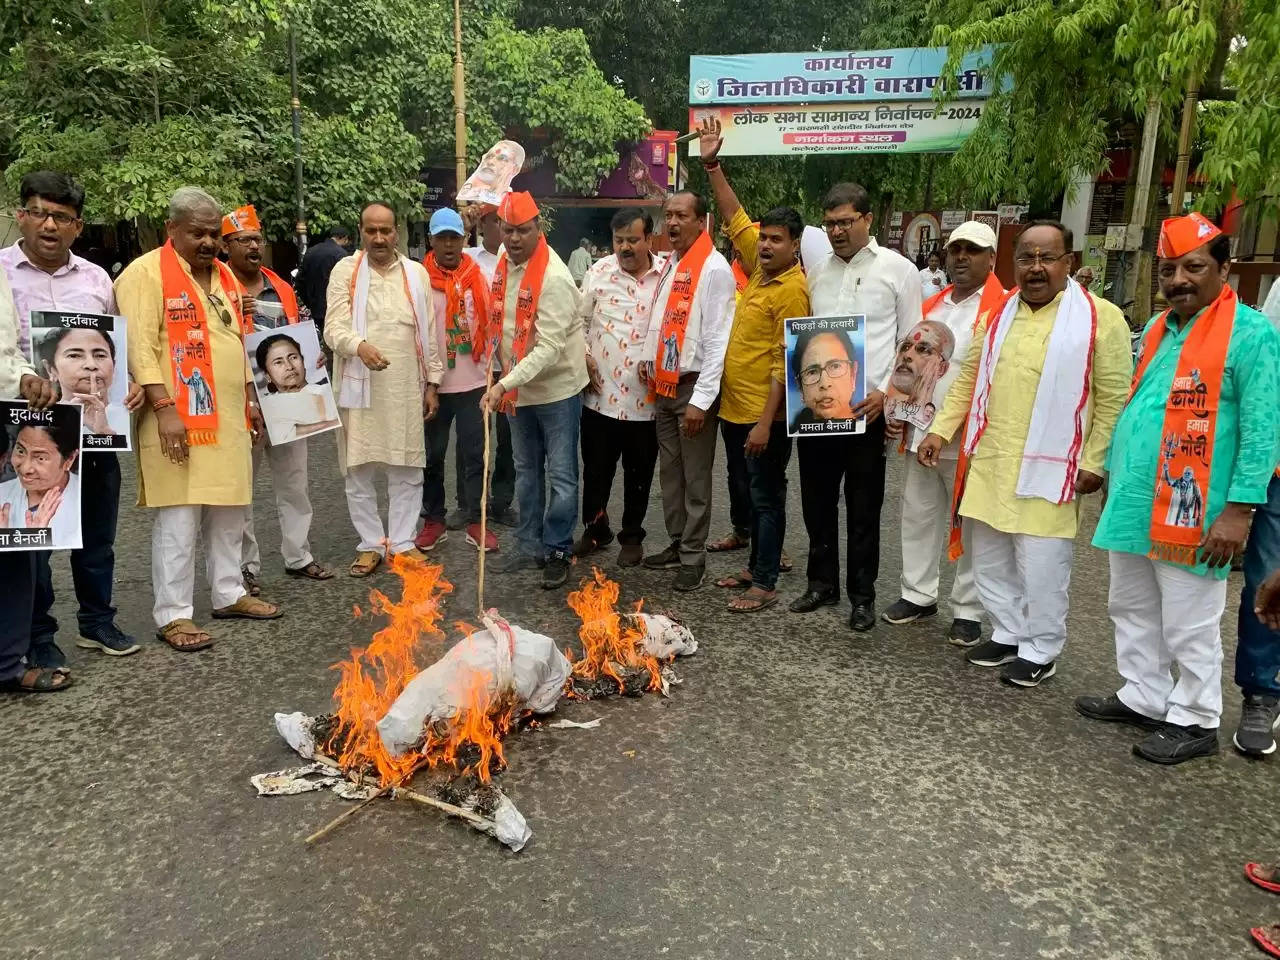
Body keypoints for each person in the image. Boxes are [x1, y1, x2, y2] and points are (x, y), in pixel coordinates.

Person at [1076, 213, 1280, 764]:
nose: (1178, 280)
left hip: (1197, 506)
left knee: (1189, 619)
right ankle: (1143, 693)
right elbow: (1142, 406)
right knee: (1130, 604)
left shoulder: (1253, 334)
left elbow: (1264, 430)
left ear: (1224, 268)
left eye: (1193, 267)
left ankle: (1196, 716)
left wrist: (1239, 512)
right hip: (1138, 495)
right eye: (1169, 270)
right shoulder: (1162, 328)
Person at [918, 220, 1131, 687]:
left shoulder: (1100, 317)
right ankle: (1009, 632)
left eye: (1047, 257)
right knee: (990, 558)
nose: (1036, 268)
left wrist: (1096, 459)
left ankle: (1043, 647)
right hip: (993, 459)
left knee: (1041, 564)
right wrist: (939, 431)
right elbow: (969, 379)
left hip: (1054, 465)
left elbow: (1114, 397)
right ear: (1013, 264)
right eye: (1027, 258)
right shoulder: (999, 314)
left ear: (1068, 263)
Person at [117, 186, 281, 652]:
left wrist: (252, 399)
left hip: (227, 415)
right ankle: (173, 614)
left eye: (214, 233)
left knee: (230, 509)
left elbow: (239, 340)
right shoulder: (144, 274)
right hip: (176, 417)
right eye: (197, 233)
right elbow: (139, 346)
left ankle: (229, 592)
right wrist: (165, 409)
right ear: (172, 230)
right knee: (181, 516)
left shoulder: (225, 275)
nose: (208, 242)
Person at [0, 170, 144, 661]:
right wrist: (22, 378)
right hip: (27, 422)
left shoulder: (97, 278)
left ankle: (97, 622)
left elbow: (113, 351)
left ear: (77, 226)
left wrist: (131, 387)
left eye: (61, 217)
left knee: (97, 529)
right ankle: (38, 637)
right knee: (31, 535)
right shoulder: (1, 271)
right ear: (21, 215)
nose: (48, 225)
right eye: (38, 212)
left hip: (95, 427)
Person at [696, 118, 810, 612]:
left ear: (795, 245)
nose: (765, 245)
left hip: (766, 416)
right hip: (735, 408)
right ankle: (752, 560)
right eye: (763, 238)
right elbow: (734, 214)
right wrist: (712, 164)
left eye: (777, 240)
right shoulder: (760, 270)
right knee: (745, 487)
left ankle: (764, 581)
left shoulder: (792, 289)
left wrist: (766, 423)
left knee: (767, 496)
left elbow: (788, 363)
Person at [798, 180, 922, 630]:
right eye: (829, 223)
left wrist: (888, 395)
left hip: (867, 412)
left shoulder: (899, 270)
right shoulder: (816, 271)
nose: (836, 231)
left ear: (867, 220)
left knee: (863, 506)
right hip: (819, 410)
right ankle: (820, 583)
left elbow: (912, 344)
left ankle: (862, 596)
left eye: (845, 222)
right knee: (816, 500)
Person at [882, 221, 1006, 647]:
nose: (961, 258)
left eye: (972, 250)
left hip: (969, 436)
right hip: (919, 431)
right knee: (918, 514)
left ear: (991, 258)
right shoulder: (931, 303)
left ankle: (968, 611)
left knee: (970, 524)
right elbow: (908, 363)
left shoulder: (1003, 308)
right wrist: (894, 409)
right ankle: (917, 595)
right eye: (955, 249)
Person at [325, 201, 442, 576]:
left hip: (406, 382)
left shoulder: (416, 273)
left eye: (386, 230)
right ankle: (372, 543)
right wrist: (358, 347)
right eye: (371, 230)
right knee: (358, 467)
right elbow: (333, 328)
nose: (379, 238)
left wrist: (433, 383)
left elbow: (431, 332)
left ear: (397, 233)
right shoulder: (346, 271)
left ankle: (404, 543)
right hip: (358, 383)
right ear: (361, 231)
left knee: (406, 465)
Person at [222, 204, 335, 591]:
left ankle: (298, 555)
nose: (254, 247)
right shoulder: (214, 289)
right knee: (241, 491)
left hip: (286, 401)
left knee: (294, 482)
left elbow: (305, 330)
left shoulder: (282, 287)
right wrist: (234, 311)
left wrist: (316, 352)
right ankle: (244, 568)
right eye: (243, 241)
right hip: (239, 403)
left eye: (258, 239)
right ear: (226, 246)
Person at [479, 191, 587, 589]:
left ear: (538, 229)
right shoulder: (505, 266)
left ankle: (558, 548)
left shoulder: (555, 277)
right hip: (517, 390)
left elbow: (549, 347)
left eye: (523, 231)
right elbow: (502, 328)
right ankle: (529, 546)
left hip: (556, 390)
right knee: (526, 472)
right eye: (508, 230)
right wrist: (497, 376)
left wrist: (503, 383)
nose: (515, 238)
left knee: (561, 475)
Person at [638, 191, 735, 590]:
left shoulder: (714, 269)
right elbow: (659, 320)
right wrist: (648, 356)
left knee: (695, 478)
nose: (672, 223)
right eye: (668, 215)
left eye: (681, 215)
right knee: (671, 475)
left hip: (693, 389)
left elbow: (717, 341)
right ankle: (678, 543)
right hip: (664, 385)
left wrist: (701, 401)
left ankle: (694, 557)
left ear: (702, 221)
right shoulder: (671, 264)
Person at [574, 208, 667, 568]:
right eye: (619, 240)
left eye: (632, 239)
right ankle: (596, 530)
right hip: (599, 398)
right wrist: (585, 356)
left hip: (647, 402)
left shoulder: (666, 277)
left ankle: (632, 535)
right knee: (596, 470)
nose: (625, 247)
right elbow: (577, 322)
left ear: (649, 238)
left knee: (639, 473)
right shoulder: (599, 272)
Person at [415, 207, 497, 555]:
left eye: (455, 237)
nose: (449, 245)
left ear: (466, 239)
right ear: (430, 240)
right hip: (432, 386)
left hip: (474, 383)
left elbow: (491, 325)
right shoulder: (418, 281)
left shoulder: (478, 276)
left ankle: (476, 521)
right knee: (431, 456)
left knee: (475, 455)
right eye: (442, 238)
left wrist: (497, 375)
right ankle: (434, 520)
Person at [0, 302, 65, 692]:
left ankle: (8, 662)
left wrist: (24, 375)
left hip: (3, 417)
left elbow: (6, 348)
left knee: (11, 545)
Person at [464, 206, 517, 529]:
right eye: (496, 221)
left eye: (506, 222)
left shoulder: (513, 258)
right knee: (473, 437)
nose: (503, 228)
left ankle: (501, 501)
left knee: (509, 439)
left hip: (509, 365)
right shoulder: (467, 258)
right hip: (475, 365)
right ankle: (470, 505)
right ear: (482, 223)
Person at [35, 326, 129, 436]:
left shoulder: (128, 412)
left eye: (100, 355)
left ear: (114, 365)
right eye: (74, 355)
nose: (91, 365)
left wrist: (104, 433)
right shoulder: (40, 421)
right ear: (50, 369)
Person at [0, 419, 81, 546]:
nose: (25, 469)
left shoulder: (87, 501)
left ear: (69, 459)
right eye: (20, 451)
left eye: (40, 458)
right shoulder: (2, 493)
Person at [254, 333, 340, 441]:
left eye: (293, 357)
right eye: (278, 362)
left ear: (303, 361)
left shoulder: (326, 392)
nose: (289, 367)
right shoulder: (266, 404)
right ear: (267, 375)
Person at [788, 327, 859, 429]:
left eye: (835, 366)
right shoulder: (796, 435)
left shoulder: (869, 429)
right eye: (812, 372)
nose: (825, 384)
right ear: (800, 387)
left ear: (853, 375)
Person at [294, 224, 351, 338]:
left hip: (316, 309)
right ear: (343, 238)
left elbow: (299, 281)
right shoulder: (341, 255)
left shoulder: (311, 251)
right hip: (335, 309)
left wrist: (309, 302)